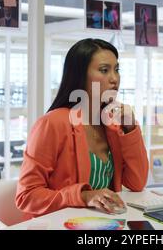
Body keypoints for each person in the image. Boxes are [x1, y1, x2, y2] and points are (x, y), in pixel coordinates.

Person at [15, 39, 148, 219]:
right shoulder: (53, 123)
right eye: (104, 70)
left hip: (103, 223)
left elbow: (137, 182)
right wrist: (84, 196)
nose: (114, 78)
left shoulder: (111, 124)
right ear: (80, 76)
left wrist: (131, 129)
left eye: (117, 69)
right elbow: (26, 196)